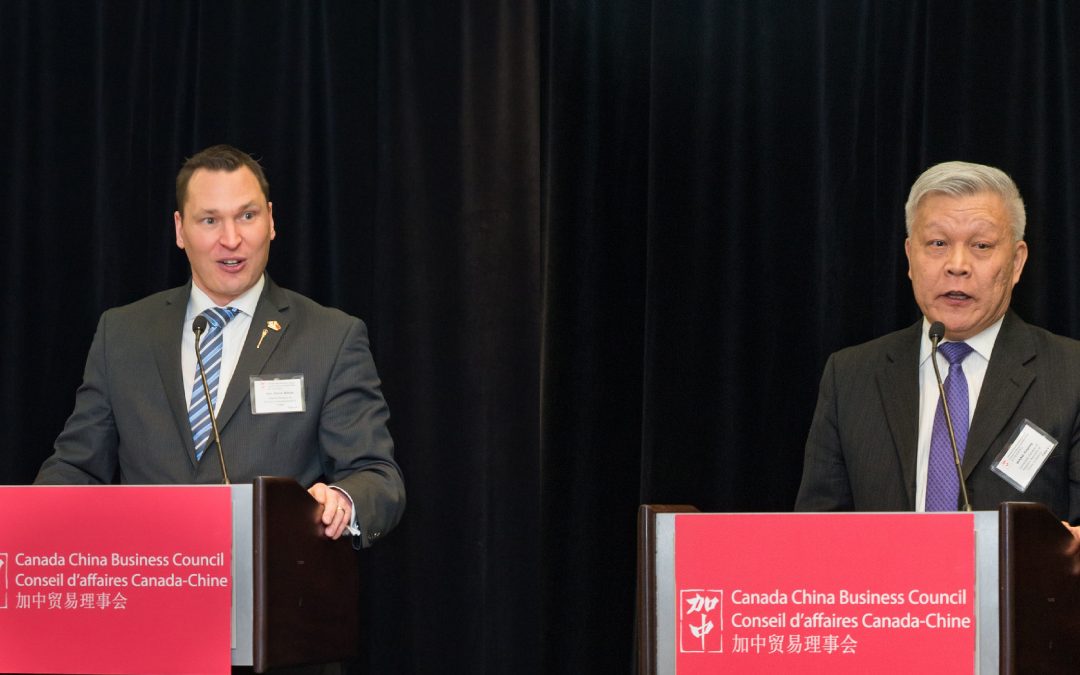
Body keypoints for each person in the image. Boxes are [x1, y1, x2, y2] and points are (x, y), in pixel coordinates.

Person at [36, 144, 405, 545]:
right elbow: (76, 466)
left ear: (271, 221)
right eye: (210, 220)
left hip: (270, 589)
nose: (232, 239)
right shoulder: (123, 333)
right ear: (180, 230)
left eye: (247, 216)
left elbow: (378, 477)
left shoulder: (330, 338)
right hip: (148, 584)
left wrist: (342, 501)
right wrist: (28, 528)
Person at [795, 161, 1080, 528]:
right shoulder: (851, 376)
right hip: (888, 586)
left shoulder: (1070, 375)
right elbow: (816, 532)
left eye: (981, 245)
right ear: (911, 257)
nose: (957, 265)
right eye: (938, 243)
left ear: (1017, 262)